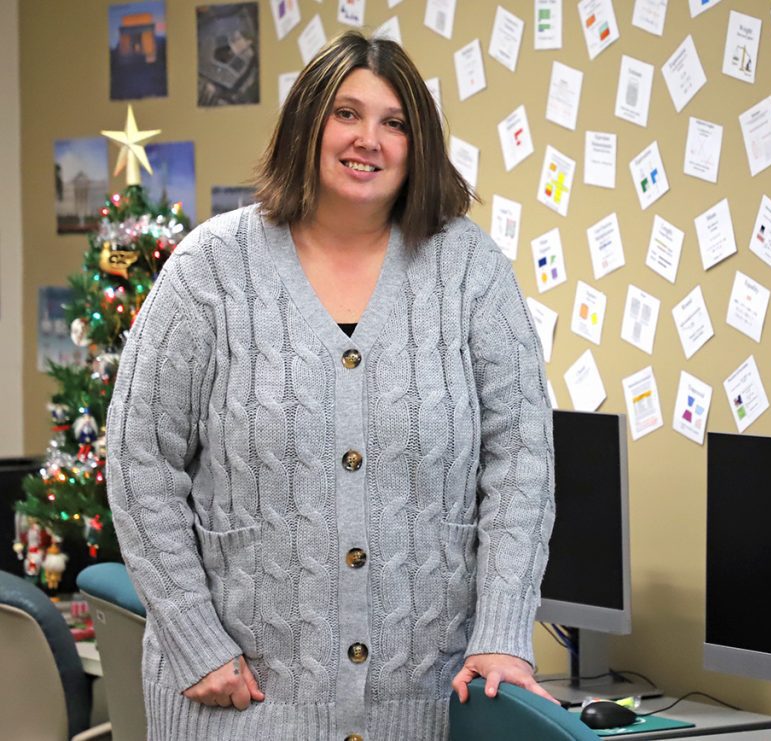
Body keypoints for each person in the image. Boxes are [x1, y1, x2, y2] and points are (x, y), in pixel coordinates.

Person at [106, 31, 555, 740]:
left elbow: (522, 458)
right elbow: (139, 464)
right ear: (307, 124)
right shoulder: (210, 272)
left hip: (424, 705)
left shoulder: (470, 270)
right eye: (347, 114)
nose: (368, 139)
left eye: (394, 121)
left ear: (418, 143)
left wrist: (502, 628)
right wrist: (195, 637)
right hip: (238, 704)